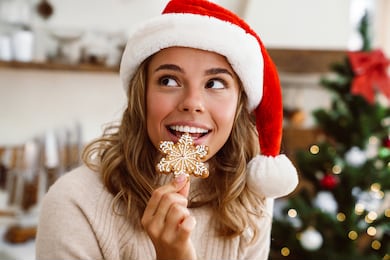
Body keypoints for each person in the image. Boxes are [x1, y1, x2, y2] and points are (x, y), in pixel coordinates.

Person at [35, 0, 298, 259]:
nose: (192, 103)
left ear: (239, 103)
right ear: (142, 96)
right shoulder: (74, 203)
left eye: (215, 83)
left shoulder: (251, 200)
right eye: (169, 80)